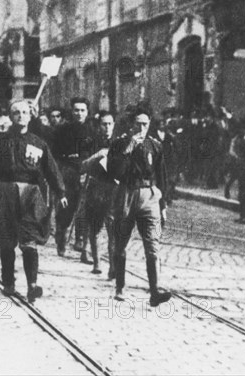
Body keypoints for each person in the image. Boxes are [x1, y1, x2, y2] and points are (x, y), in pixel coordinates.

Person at [0, 100, 67, 303]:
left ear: (30, 116)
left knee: (29, 241)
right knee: (7, 240)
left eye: (24, 112)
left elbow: (51, 169)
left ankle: (32, 285)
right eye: (16, 112)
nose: (21, 116)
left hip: (30, 195)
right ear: (10, 117)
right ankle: (8, 282)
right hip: (5, 192)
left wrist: (61, 192)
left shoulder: (39, 143)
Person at [108, 104, 172, 307]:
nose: (141, 129)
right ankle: (120, 286)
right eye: (138, 124)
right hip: (127, 193)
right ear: (130, 124)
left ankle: (155, 291)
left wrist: (163, 205)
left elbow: (161, 176)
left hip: (149, 195)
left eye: (145, 124)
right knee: (120, 244)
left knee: (152, 245)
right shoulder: (119, 144)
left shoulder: (155, 145)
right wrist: (128, 149)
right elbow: (114, 171)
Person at [52, 97, 95, 259]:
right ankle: (61, 235)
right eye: (76, 110)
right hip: (68, 171)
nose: (79, 113)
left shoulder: (92, 131)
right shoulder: (63, 130)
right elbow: (55, 154)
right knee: (67, 207)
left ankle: (80, 238)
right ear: (71, 111)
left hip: (86, 171)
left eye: (82, 110)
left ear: (87, 112)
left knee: (84, 207)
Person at [80, 111, 117, 276]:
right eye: (104, 124)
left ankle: (113, 266)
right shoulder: (90, 142)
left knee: (112, 228)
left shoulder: (119, 143)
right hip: (96, 188)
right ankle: (97, 262)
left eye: (110, 124)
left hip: (113, 189)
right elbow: (82, 165)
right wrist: (98, 155)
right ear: (99, 125)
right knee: (95, 227)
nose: (107, 127)